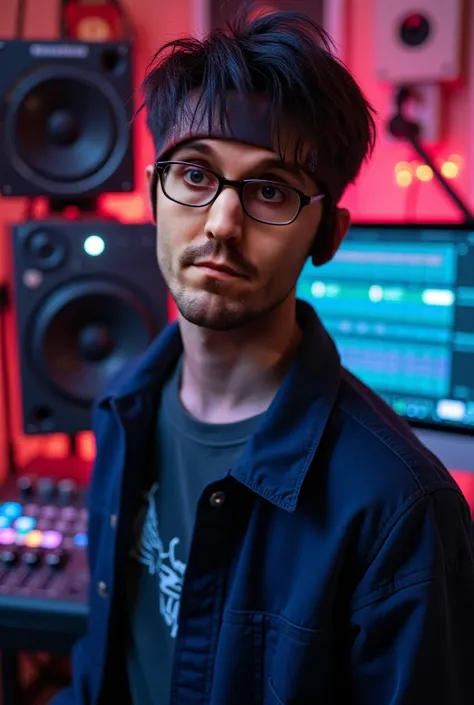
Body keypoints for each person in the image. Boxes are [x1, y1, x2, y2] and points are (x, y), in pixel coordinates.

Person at [52, 10, 474, 705]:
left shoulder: (403, 510)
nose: (221, 221)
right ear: (154, 194)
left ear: (327, 235)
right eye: (194, 174)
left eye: (270, 190)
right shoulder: (122, 409)